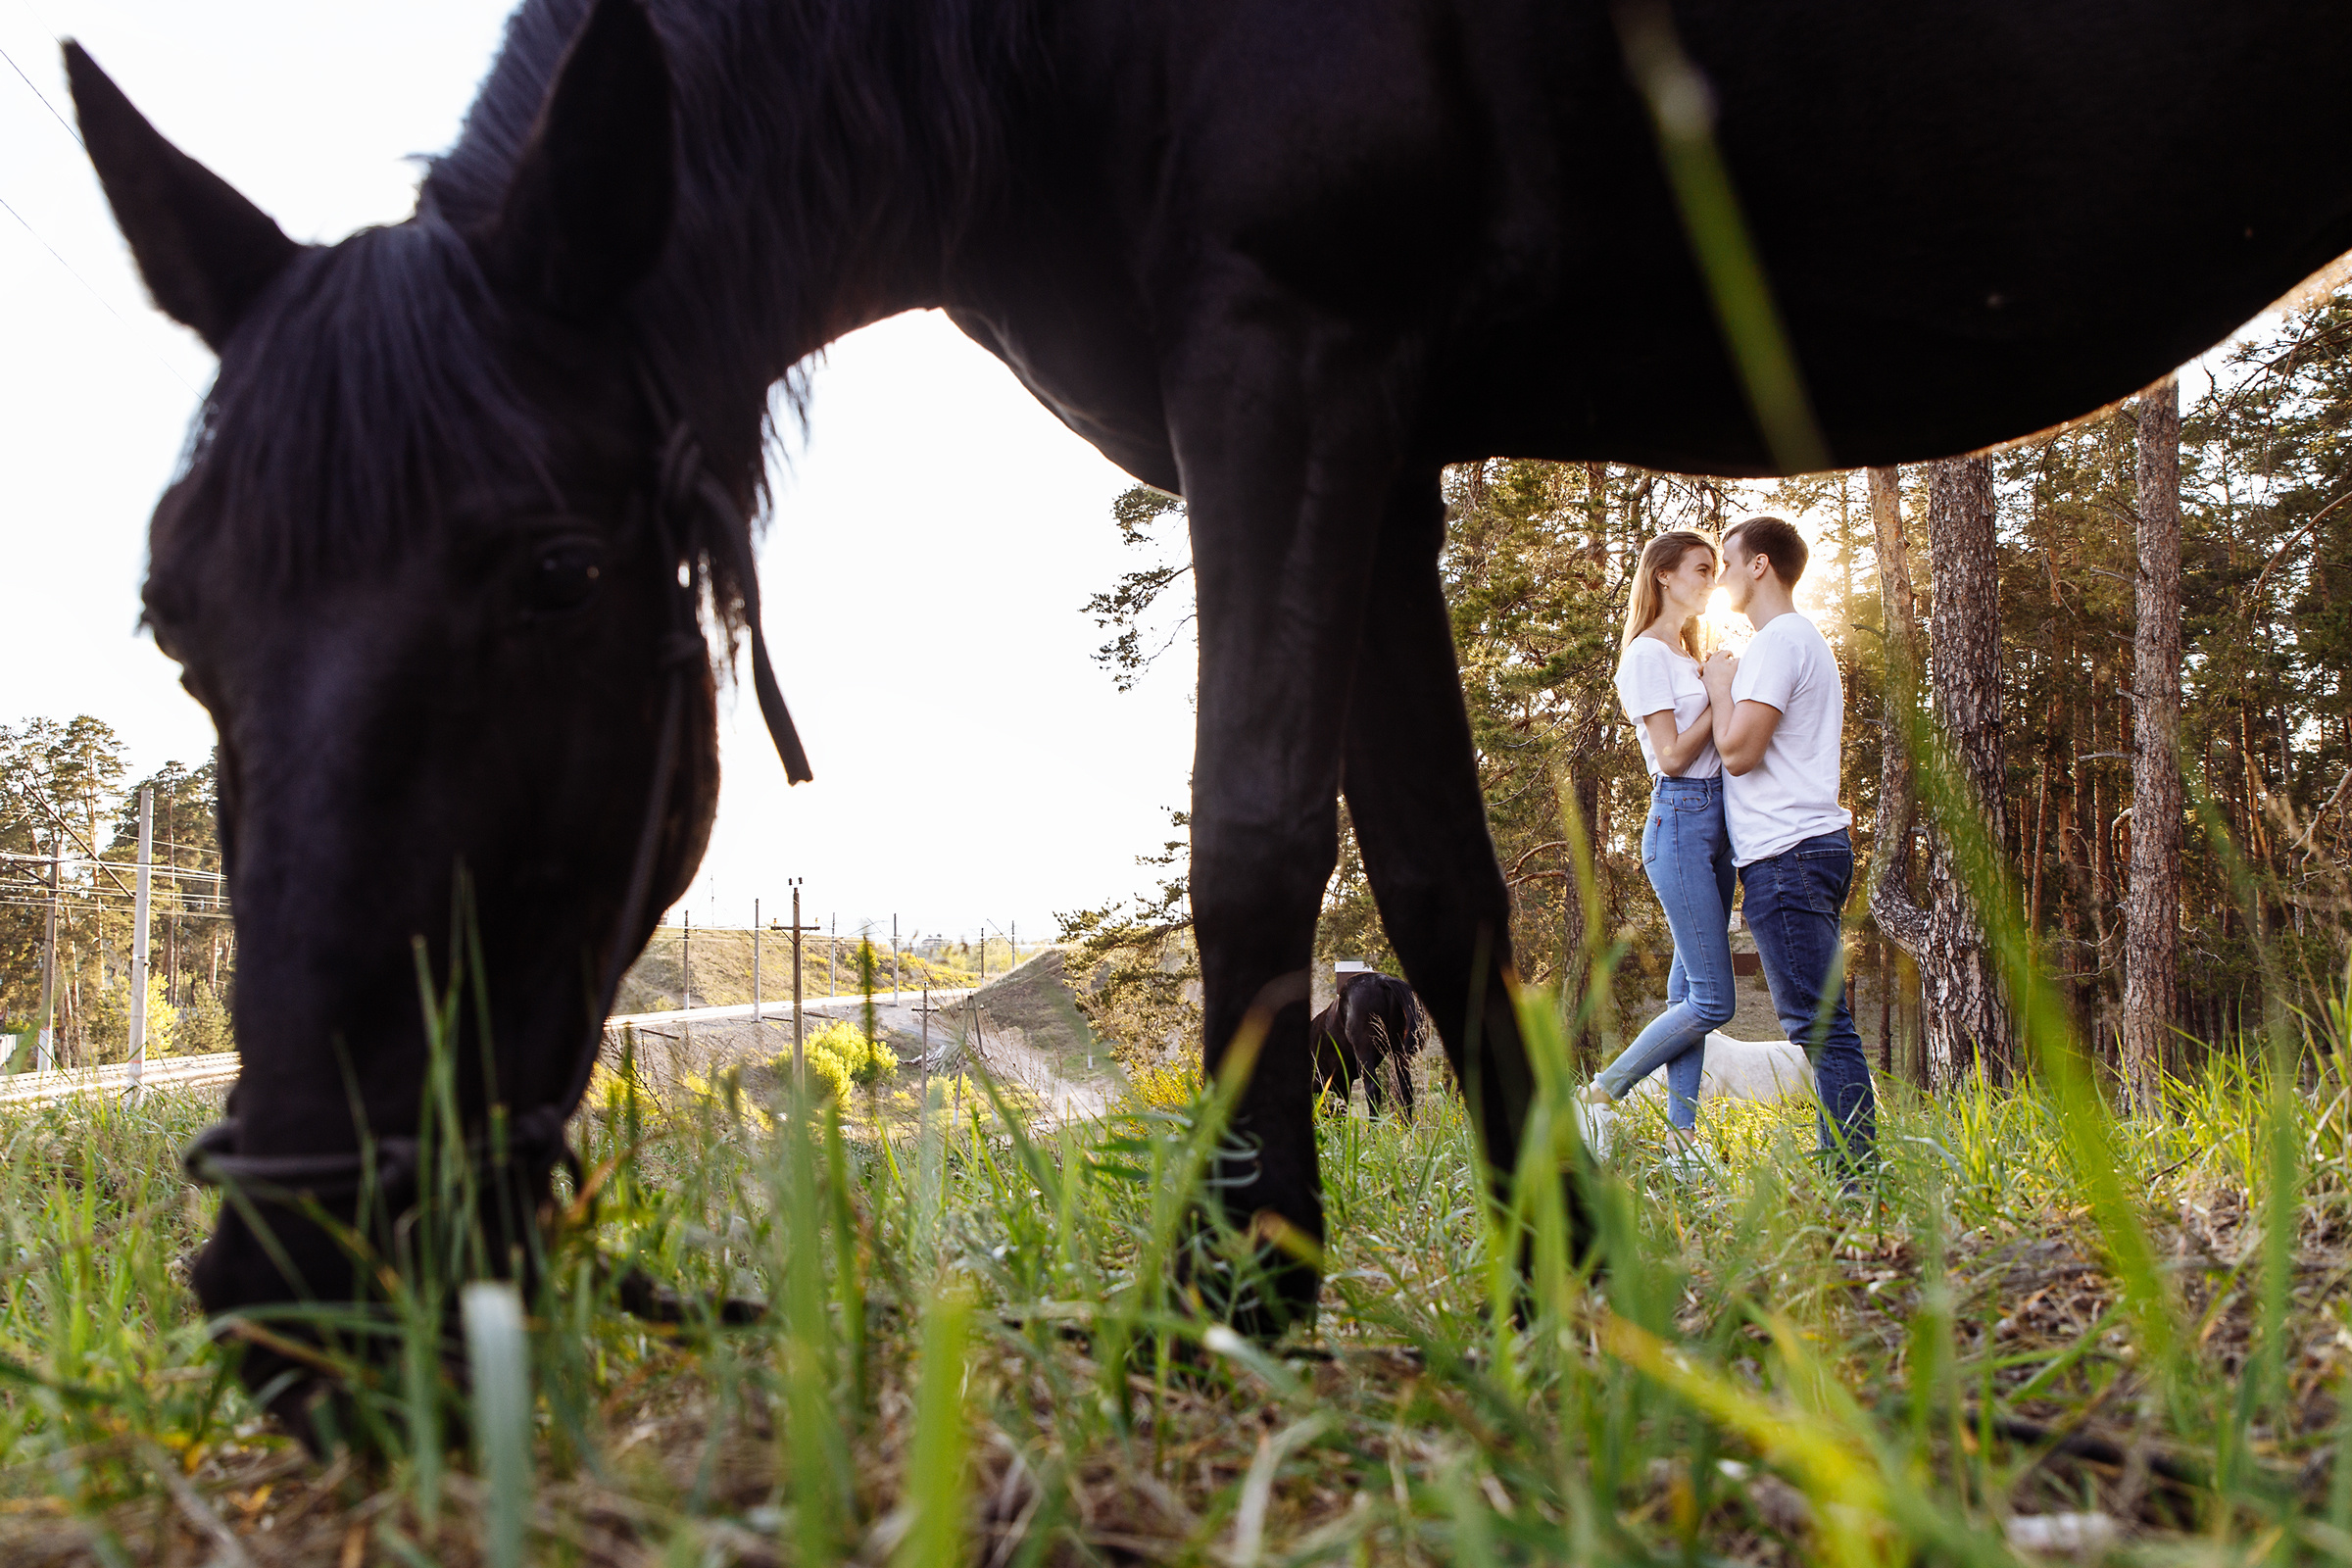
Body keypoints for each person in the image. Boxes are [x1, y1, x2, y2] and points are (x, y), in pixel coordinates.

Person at [1701, 515, 1877, 1175]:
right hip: (1807, 848)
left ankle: (1858, 1174)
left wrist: (1720, 689)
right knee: (1820, 1022)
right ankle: (1845, 1159)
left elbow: (1740, 751)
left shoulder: (1779, 640)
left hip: (1789, 853)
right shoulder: (1796, 641)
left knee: (1819, 1026)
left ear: (1759, 566)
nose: (1720, 575)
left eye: (1727, 561)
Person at [1579, 530, 1731, 1157]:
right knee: (1715, 1001)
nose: (1710, 581)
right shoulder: (1646, 655)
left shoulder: (1688, 656)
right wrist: (1720, 698)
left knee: (1687, 997)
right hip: (1681, 821)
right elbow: (1670, 757)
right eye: (1701, 569)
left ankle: (1682, 1144)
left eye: (1715, 571)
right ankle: (1599, 1094)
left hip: (1716, 823)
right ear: (1664, 576)